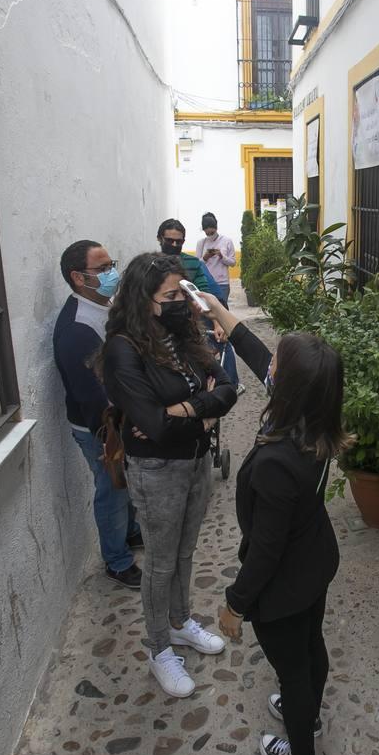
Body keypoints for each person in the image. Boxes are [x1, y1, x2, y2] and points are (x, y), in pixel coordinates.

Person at [203, 292, 348, 755]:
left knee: (292, 666)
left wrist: (233, 606)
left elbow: (265, 552)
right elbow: (256, 352)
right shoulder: (316, 417)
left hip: (283, 583)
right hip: (315, 562)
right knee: (311, 646)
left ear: (286, 386)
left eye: (279, 365)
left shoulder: (276, 462)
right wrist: (217, 310)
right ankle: (303, 708)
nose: (272, 366)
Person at [99, 253, 237, 697]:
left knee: (184, 551)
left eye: (184, 293)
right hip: (156, 469)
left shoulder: (182, 332)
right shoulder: (124, 348)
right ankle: (159, 648)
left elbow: (229, 386)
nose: (182, 301)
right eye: (171, 295)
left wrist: (191, 414)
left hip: (196, 460)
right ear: (144, 299)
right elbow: (154, 427)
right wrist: (203, 407)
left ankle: (180, 622)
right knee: (160, 563)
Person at [53, 239, 143, 588]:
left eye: (112, 265)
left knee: (126, 482)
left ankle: (131, 533)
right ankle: (117, 562)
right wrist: (116, 432)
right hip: (101, 428)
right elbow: (92, 396)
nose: (112, 274)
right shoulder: (76, 330)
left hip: (117, 418)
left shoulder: (102, 305)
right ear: (79, 277)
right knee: (112, 488)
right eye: (102, 269)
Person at [158, 218, 241, 392]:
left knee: (219, 343)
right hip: (161, 327)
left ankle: (230, 385)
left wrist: (218, 323)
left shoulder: (193, 264)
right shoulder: (150, 265)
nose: (174, 245)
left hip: (192, 320)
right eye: (169, 241)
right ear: (160, 239)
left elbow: (204, 295)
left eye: (179, 242)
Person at [196, 212, 237, 307]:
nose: (210, 235)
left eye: (212, 232)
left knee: (222, 311)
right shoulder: (201, 243)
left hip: (222, 283)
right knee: (208, 312)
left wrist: (222, 256)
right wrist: (205, 257)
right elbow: (197, 264)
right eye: (207, 233)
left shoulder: (227, 241)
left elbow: (233, 263)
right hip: (206, 283)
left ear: (216, 228)